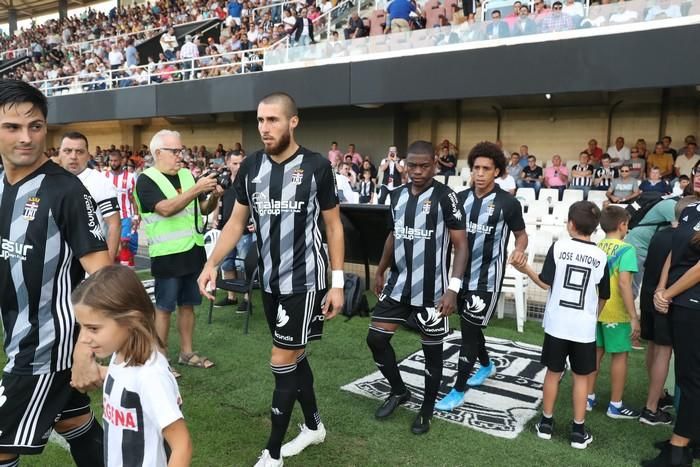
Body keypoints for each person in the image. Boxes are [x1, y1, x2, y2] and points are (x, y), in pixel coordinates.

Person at [198, 93, 345, 467]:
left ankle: (273, 452)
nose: (265, 128)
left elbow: (333, 225)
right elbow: (234, 222)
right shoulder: (250, 167)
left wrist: (338, 282)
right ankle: (313, 426)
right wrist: (212, 263)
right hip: (270, 281)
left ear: (293, 122)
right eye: (261, 120)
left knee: (281, 360)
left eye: (273, 120)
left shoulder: (315, 166)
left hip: (305, 280)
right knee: (295, 354)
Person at [0, 80, 111, 467]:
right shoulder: (2, 185)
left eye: (35, 126)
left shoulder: (65, 190)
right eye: (12, 127)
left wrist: (85, 349)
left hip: (48, 345)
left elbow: (103, 275)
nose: (26, 137)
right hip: (19, 335)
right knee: (76, 423)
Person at [368, 140, 468, 434]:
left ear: (435, 164)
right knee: (376, 340)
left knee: (432, 354)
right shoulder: (396, 195)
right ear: (404, 164)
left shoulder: (447, 197)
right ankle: (399, 391)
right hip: (398, 286)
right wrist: (381, 269)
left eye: (424, 165)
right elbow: (392, 234)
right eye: (412, 165)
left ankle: (426, 410)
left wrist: (453, 288)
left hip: (433, 293)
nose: (418, 171)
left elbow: (461, 246)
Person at [436, 141, 528, 411]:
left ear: (497, 171)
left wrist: (519, 250)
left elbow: (521, 235)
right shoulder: (459, 199)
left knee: (468, 333)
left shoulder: (508, 203)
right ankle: (487, 365)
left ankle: (458, 390)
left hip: (486, 279)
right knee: (470, 326)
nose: (479, 173)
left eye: (486, 168)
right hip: (458, 278)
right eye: (476, 167)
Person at [72, 265, 192, 467]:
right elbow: (128, 382)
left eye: (93, 328)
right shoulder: (121, 355)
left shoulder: (151, 376)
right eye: (81, 327)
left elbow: (182, 445)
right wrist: (103, 374)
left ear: (131, 321)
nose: (83, 338)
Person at [513, 201, 610, 450]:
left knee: (553, 373)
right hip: (583, 329)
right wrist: (592, 316)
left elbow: (545, 283)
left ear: (570, 224)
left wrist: (525, 269)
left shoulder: (559, 247)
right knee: (581, 378)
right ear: (595, 228)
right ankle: (578, 430)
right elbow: (604, 295)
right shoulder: (601, 256)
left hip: (557, 324)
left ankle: (546, 423)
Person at [134, 130, 220, 372]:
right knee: (164, 308)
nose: (180, 155)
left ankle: (186, 352)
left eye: (181, 150)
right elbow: (165, 209)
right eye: (175, 151)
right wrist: (197, 189)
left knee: (188, 304)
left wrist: (212, 197)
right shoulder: (146, 180)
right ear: (158, 153)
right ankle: (161, 360)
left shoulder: (186, 175)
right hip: (167, 255)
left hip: (193, 251)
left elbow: (201, 209)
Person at [647, 167, 700, 467]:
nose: (699, 175)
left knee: (691, 377)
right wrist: (661, 287)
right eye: (697, 170)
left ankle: (679, 451)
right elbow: (674, 253)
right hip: (679, 298)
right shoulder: (691, 208)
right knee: (687, 373)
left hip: (694, 303)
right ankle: (691, 439)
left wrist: (669, 293)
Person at [638, 196, 697, 427]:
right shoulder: (686, 240)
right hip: (666, 299)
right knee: (664, 352)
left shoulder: (659, 235)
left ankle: (658, 396)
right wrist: (665, 294)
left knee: (653, 347)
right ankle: (652, 406)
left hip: (651, 295)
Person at [586, 207, 641, 420]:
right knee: (619, 357)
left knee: (595, 354)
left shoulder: (597, 246)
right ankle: (615, 405)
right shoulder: (627, 250)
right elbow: (625, 284)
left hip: (594, 311)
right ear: (623, 225)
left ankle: (588, 398)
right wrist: (633, 316)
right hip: (616, 313)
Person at [58, 131, 120, 260]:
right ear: (60, 154)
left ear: (88, 155)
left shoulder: (100, 183)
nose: (73, 156)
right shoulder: (50, 181)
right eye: (67, 151)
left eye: (79, 152)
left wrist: (105, 268)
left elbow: (114, 225)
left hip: (89, 267)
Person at [214, 150, 254, 311]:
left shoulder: (249, 179)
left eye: (241, 163)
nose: (238, 166)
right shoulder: (223, 180)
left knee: (246, 267)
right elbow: (218, 199)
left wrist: (256, 221)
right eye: (235, 163)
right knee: (226, 264)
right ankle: (231, 297)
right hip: (225, 230)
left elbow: (257, 202)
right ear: (228, 162)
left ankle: (247, 300)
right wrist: (215, 217)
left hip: (244, 230)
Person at [105, 150, 139, 267]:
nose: (113, 163)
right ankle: (114, 270)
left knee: (125, 244)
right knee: (112, 246)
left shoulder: (130, 177)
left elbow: (133, 198)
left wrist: (136, 216)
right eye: (111, 161)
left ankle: (127, 270)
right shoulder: (104, 176)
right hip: (108, 218)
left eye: (115, 161)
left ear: (121, 161)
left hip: (125, 216)